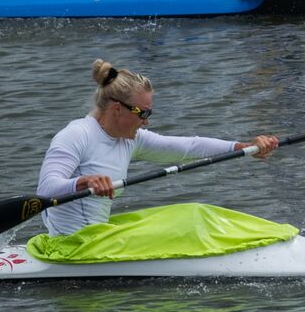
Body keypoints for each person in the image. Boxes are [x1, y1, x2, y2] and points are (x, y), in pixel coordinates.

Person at [37, 60, 280, 235]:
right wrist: (84, 182)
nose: (147, 120)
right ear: (116, 109)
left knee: (194, 213)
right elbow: (46, 190)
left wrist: (246, 146)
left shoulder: (130, 139)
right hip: (71, 247)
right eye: (143, 113)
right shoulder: (76, 135)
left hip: (99, 238)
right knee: (192, 221)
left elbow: (190, 147)